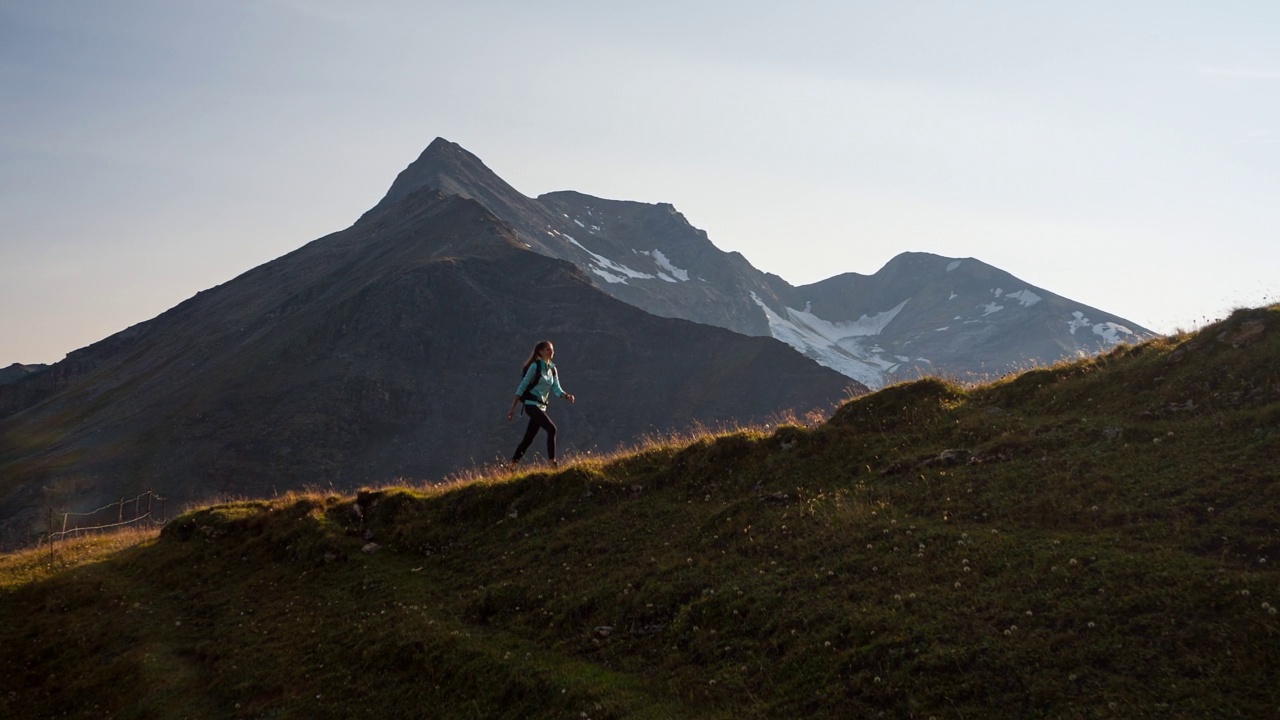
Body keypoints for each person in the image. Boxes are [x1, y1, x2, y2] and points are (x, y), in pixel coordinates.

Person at [507, 340, 575, 467]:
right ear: (540, 351)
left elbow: (557, 389)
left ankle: (511, 465)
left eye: (552, 349)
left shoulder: (552, 369)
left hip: (541, 407)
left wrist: (567, 396)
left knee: (528, 438)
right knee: (552, 429)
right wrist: (512, 408)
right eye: (548, 349)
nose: (552, 351)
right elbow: (522, 387)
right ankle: (552, 463)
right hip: (531, 405)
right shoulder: (535, 367)